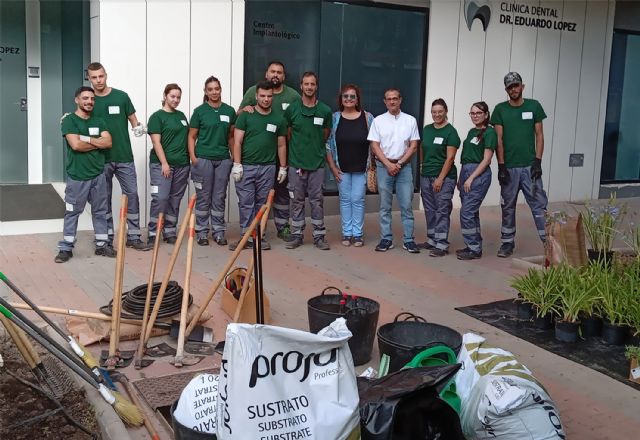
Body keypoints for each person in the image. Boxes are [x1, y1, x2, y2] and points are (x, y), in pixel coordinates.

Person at [87, 62, 150, 251]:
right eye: (94, 77)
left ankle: (133, 236)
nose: (98, 80)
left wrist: (139, 127)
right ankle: (105, 239)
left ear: (106, 75)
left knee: (132, 195)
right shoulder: (89, 100)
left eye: (101, 76)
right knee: (102, 199)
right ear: (89, 79)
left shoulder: (121, 97)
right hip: (100, 159)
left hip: (124, 157)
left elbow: (133, 120)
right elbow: (79, 119)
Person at [238, 61, 300, 242]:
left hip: (282, 156)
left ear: (284, 76)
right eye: (272, 71)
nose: (276, 75)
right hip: (255, 158)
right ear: (266, 74)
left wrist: (284, 164)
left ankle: (283, 228)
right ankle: (251, 233)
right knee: (254, 198)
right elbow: (240, 115)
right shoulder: (253, 91)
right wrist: (245, 109)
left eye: (279, 72)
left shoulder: (293, 96)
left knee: (281, 194)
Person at [492, 72, 548, 257]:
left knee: (539, 205)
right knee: (507, 206)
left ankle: (549, 242)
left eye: (516, 85)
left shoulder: (534, 106)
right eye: (510, 87)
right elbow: (498, 139)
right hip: (509, 167)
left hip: (529, 167)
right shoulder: (500, 109)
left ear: (522, 86)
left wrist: (538, 161)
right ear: (506, 90)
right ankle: (507, 243)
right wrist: (501, 166)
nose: (513, 89)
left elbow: (539, 135)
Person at [55, 87, 114, 263]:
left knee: (100, 211)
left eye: (92, 99)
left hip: (98, 175)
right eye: (85, 98)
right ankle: (66, 247)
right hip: (78, 176)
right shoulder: (69, 121)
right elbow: (76, 146)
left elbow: (109, 142)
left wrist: (86, 139)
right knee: (72, 211)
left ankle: (102, 244)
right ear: (77, 100)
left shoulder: (99, 121)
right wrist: (98, 143)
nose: (89, 101)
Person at [231, 81, 287, 250]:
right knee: (246, 202)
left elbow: (281, 145)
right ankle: (245, 237)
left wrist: (283, 167)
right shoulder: (246, 116)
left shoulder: (278, 119)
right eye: (262, 96)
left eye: (269, 96)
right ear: (256, 96)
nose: (266, 99)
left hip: (268, 168)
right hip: (246, 167)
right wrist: (237, 164)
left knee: (262, 203)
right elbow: (237, 141)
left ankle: (258, 237)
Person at [283, 72, 333, 250]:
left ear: (316, 86)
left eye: (312, 84)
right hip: (296, 164)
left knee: (317, 200)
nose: (309, 87)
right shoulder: (292, 110)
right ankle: (297, 234)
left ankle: (319, 235)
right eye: (306, 84)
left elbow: (325, 136)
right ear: (301, 86)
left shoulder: (325, 111)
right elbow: (288, 135)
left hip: (317, 164)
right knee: (296, 200)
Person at [367, 88, 420, 253]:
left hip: (404, 168)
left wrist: (400, 163)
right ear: (384, 101)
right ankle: (386, 239)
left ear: (400, 100)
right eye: (389, 99)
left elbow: (414, 145)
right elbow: (374, 145)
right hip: (384, 166)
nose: (392, 101)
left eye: (395, 98)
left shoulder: (410, 120)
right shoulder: (378, 121)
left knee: (406, 205)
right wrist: (388, 164)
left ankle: (409, 240)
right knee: (384, 206)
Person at [188, 76, 236, 247]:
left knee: (219, 196)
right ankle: (201, 232)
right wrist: (194, 158)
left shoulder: (229, 111)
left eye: (217, 88)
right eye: (210, 89)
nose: (214, 92)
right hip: (204, 159)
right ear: (205, 92)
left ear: (220, 89)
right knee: (203, 197)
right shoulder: (200, 111)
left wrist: (233, 159)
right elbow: (192, 136)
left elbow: (231, 137)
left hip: (223, 160)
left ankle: (218, 231)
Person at [326, 84, 374, 247]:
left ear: (357, 99)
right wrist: (332, 167)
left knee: (358, 199)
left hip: (362, 167)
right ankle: (347, 233)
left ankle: (358, 234)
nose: (348, 99)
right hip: (341, 168)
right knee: (345, 200)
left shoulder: (368, 118)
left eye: (352, 96)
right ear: (341, 99)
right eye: (345, 96)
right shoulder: (334, 118)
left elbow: (374, 143)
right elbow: (327, 144)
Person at [147, 83, 190, 244]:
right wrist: (164, 163)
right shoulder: (157, 117)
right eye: (172, 96)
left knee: (175, 199)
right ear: (165, 96)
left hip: (182, 165)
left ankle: (170, 231)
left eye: (178, 97)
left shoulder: (181, 116)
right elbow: (156, 142)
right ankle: (153, 232)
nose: (176, 100)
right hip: (162, 165)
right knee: (160, 198)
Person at [419, 98, 460, 257]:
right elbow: (422, 148)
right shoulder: (427, 129)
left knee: (442, 209)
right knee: (430, 209)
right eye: (434, 112)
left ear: (446, 112)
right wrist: (422, 166)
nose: (437, 114)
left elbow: (450, 158)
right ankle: (431, 239)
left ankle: (442, 243)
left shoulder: (451, 132)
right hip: (426, 175)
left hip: (444, 177)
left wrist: (441, 178)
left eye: (440, 112)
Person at [456, 101, 496, 260]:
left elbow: (486, 160)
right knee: (471, 213)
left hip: (478, 175)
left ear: (486, 114)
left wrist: (471, 178)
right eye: (472, 113)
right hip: (466, 172)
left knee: (466, 212)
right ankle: (473, 246)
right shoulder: (472, 131)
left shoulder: (490, 133)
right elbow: (465, 158)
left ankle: (474, 249)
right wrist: (462, 178)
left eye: (478, 113)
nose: (475, 116)